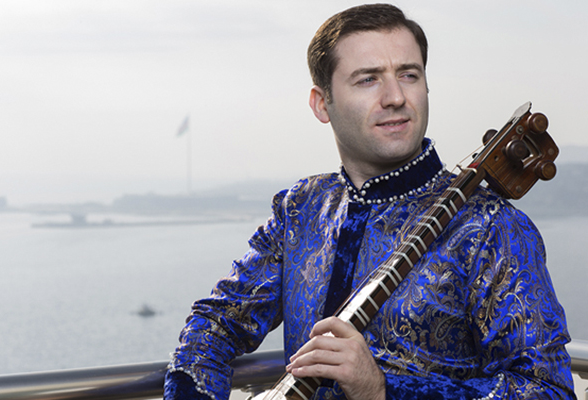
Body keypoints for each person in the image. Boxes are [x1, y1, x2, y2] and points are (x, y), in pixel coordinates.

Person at [163, 4, 575, 399]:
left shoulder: (492, 228)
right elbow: (214, 325)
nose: (395, 96)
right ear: (322, 103)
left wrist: (382, 389)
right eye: (368, 79)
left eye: (409, 75)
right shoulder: (302, 208)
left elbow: (547, 391)